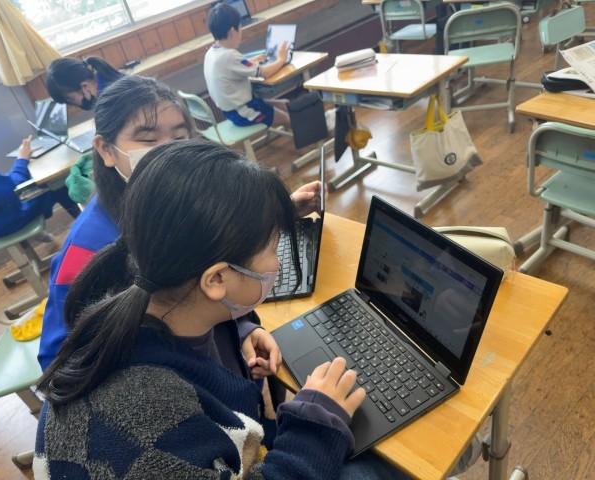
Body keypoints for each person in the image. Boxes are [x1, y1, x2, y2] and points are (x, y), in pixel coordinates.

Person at [34, 138, 408, 479]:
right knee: (386, 465)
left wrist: (240, 331)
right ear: (215, 280)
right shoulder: (149, 419)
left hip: (240, 448)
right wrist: (314, 426)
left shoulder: (151, 300)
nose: (278, 261)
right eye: (273, 247)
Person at [37, 75, 323, 371]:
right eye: (148, 140)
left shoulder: (186, 196)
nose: (168, 151)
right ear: (106, 150)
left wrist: (242, 329)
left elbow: (199, 289)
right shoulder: (86, 247)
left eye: (178, 138)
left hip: (221, 358)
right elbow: (59, 361)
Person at [0, 99, 79, 238]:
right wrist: (22, 160)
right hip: (4, 220)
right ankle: (87, 233)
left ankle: (44, 235)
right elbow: (11, 192)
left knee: (31, 178)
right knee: (59, 184)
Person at [204, 3, 291, 129]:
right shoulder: (229, 56)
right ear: (232, 31)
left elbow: (231, 67)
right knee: (286, 118)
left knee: (284, 104)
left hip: (231, 111)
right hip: (244, 112)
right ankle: (311, 134)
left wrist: (253, 60)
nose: (241, 33)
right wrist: (281, 59)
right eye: (240, 28)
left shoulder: (212, 53)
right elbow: (265, 73)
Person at [46, 56, 124, 110]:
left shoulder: (113, 103)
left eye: (71, 100)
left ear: (85, 87)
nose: (73, 107)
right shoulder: (110, 82)